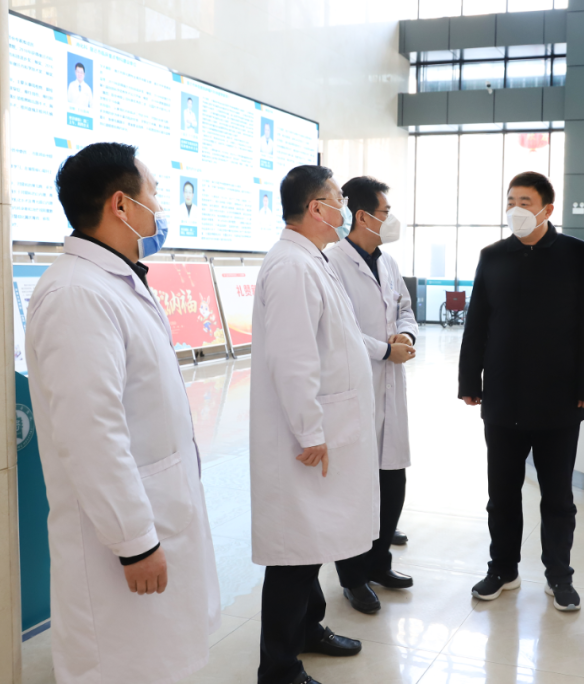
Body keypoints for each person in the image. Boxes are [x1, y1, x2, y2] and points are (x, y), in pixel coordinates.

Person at [25, 142, 220, 683]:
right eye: (153, 192)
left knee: (156, 660)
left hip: (156, 511)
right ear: (120, 205)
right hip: (119, 539)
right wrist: (135, 542)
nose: (159, 206)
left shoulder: (115, 280)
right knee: (120, 666)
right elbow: (92, 433)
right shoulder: (75, 295)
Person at [249, 165, 376, 684]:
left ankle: (308, 629)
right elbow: (292, 357)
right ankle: (279, 668)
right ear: (315, 207)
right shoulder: (290, 267)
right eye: (338, 199)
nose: (344, 208)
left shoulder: (312, 260)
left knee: (313, 542)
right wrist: (310, 430)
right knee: (294, 554)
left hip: (324, 427)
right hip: (302, 437)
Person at [458, 171, 584, 612]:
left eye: (525, 201)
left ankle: (559, 575)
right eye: (511, 201)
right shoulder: (493, 256)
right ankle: (502, 569)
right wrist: (469, 381)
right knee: (501, 493)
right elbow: (477, 322)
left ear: (547, 209)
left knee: (557, 496)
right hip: (503, 394)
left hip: (559, 396)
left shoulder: (576, 254)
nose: (515, 209)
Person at [326, 176, 419, 614]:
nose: (391, 219)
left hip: (390, 386)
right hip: (356, 387)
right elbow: (338, 330)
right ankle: (353, 577)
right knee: (355, 490)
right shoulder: (333, 263)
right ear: (362, 216)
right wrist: (385, 350)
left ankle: (380, 564)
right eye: (385, 212)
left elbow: (405, 309)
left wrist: (406, 335)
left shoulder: (389, 262)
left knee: (392, 480)